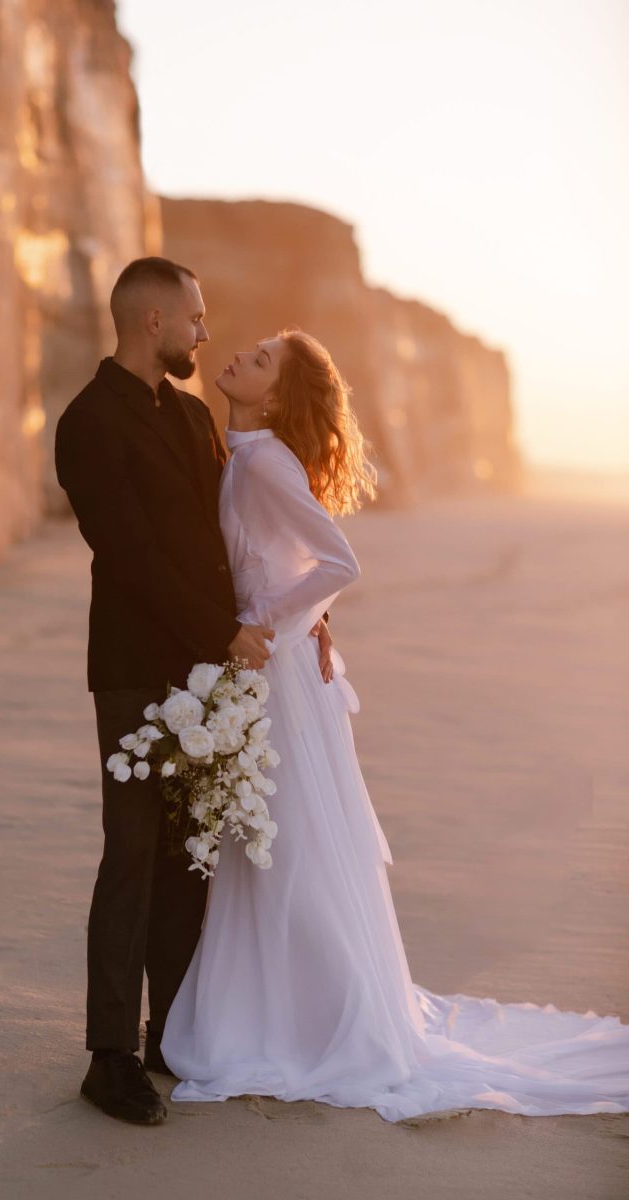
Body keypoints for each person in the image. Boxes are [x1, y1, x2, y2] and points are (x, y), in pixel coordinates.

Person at [160, 328, 629, 1121]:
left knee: (289, 842)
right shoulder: (242, 452)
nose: (239, 353)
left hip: (268, 675)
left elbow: (340, 562)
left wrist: (263, 623)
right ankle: (285, 1011)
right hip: (265, 672)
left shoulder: (267, 461)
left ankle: (310, 1022)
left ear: (273, 398)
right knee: (274, 840)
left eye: (262, 359)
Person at [54, 257, 296, 1126]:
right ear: (152, 321)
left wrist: (294, 616)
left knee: (187, 858)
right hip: (134, 670)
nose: (205, 331)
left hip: (208, 670)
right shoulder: (87, 423)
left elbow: (232, 540)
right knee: (130, 856)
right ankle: (110, 1055)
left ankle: (174, 1035)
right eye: (195, 317)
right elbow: (130, 558)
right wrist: (219, 634)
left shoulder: (196, 416)